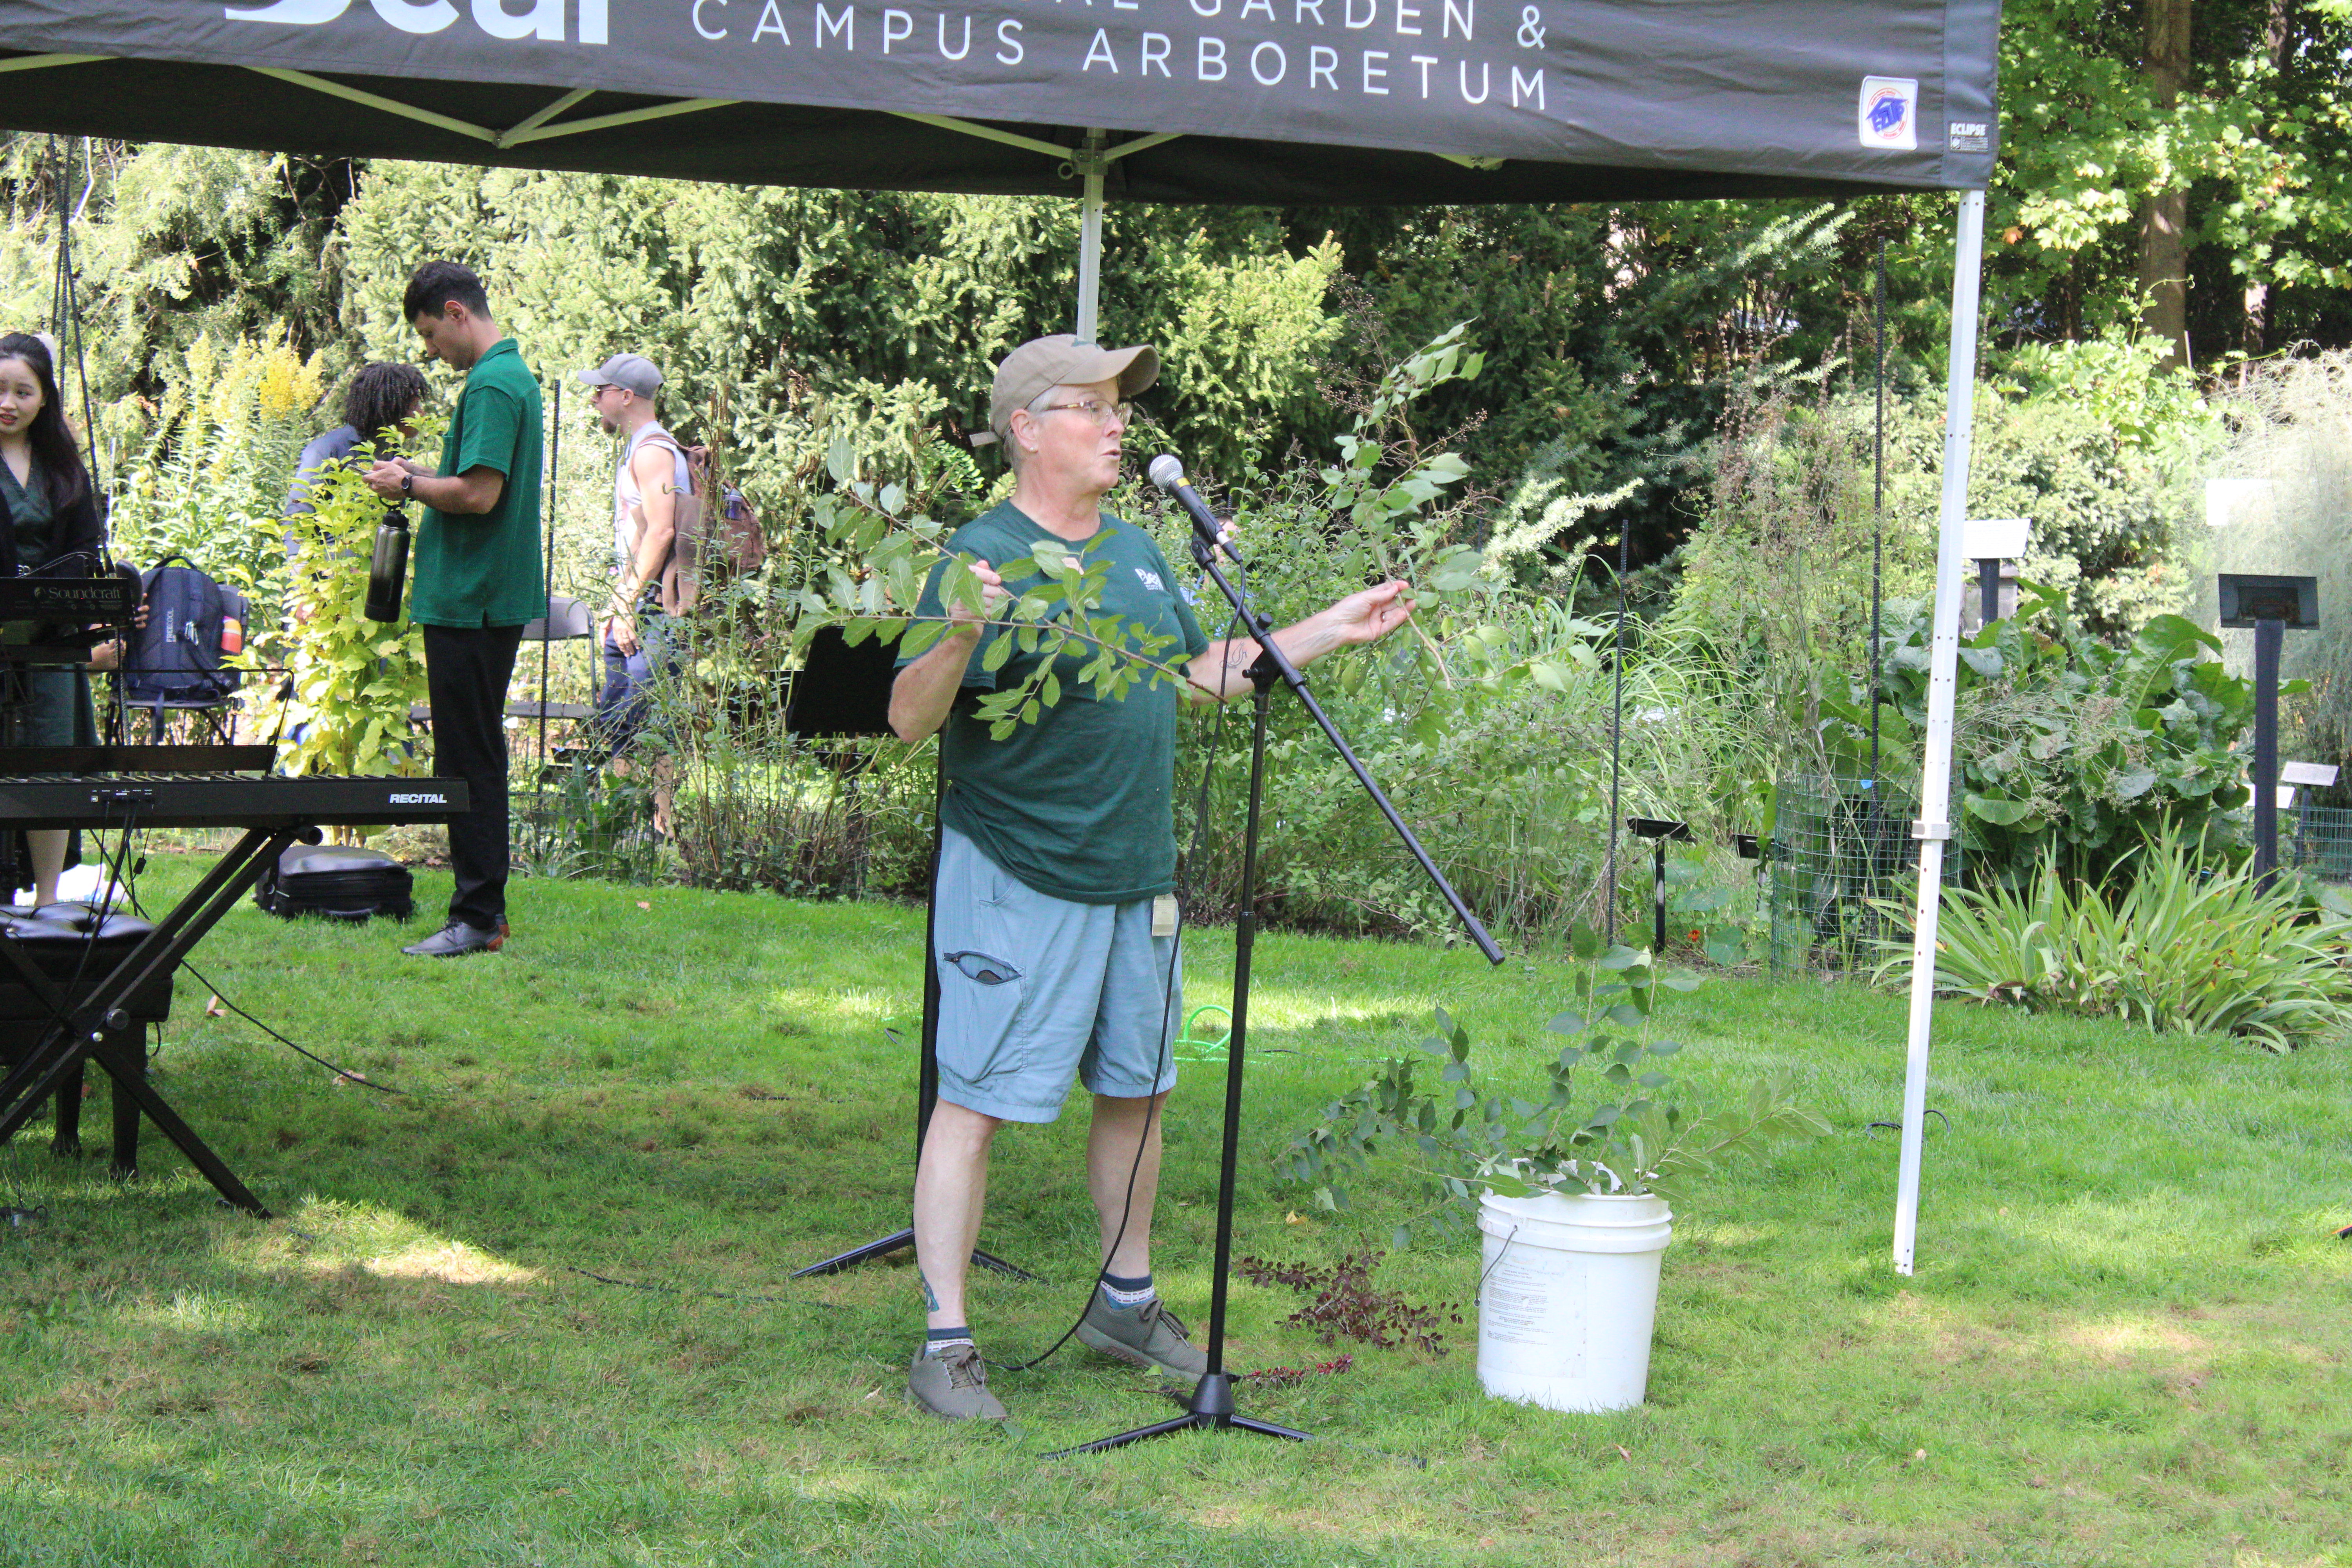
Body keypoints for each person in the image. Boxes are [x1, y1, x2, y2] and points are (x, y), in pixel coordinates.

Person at [888, 334, 1416, 1421]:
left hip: (1138, 876)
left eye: (1118, 405)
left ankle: (1125, 1301)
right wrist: (959, 636)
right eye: (1091, 405)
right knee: (975, 1101)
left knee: (1140, 1085)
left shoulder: (1135, 552)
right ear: (1028, 428)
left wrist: (1329, 630)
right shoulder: (977, 556)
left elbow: (1201, 673)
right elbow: (905, 718)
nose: (1118, 422)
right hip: (1020, 871)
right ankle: (946, 1341)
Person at [362, 261, 544, 958]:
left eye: (431, 334)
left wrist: (407, 482)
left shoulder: (495, 384)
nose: (430, 350)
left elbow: (478, 494)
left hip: (473, 599)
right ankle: (480, 914)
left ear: (456, 312)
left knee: (469, 759)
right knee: (476, 752)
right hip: (479, 597)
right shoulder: (505, 377)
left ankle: (475, 917)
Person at [0, 330, 129, 908]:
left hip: (51, 640)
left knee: (50, 767)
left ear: (45, 398)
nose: (8, 402)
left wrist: (97, 637)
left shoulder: (63, 468)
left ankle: (48, 903)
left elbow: (87, 555)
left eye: (22, 391)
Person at [577, 351, 686, 833]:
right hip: (636, 601)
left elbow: (662, 532)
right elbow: (640, 534)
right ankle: (621, 829)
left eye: (600, 390)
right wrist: (619, 600)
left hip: (657, 607)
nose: (594, 397)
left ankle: (661, 830)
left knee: (651, 721)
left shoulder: (653, 451)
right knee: (621, 719)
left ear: (625, 397)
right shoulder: (638, 447)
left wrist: (628, 602)